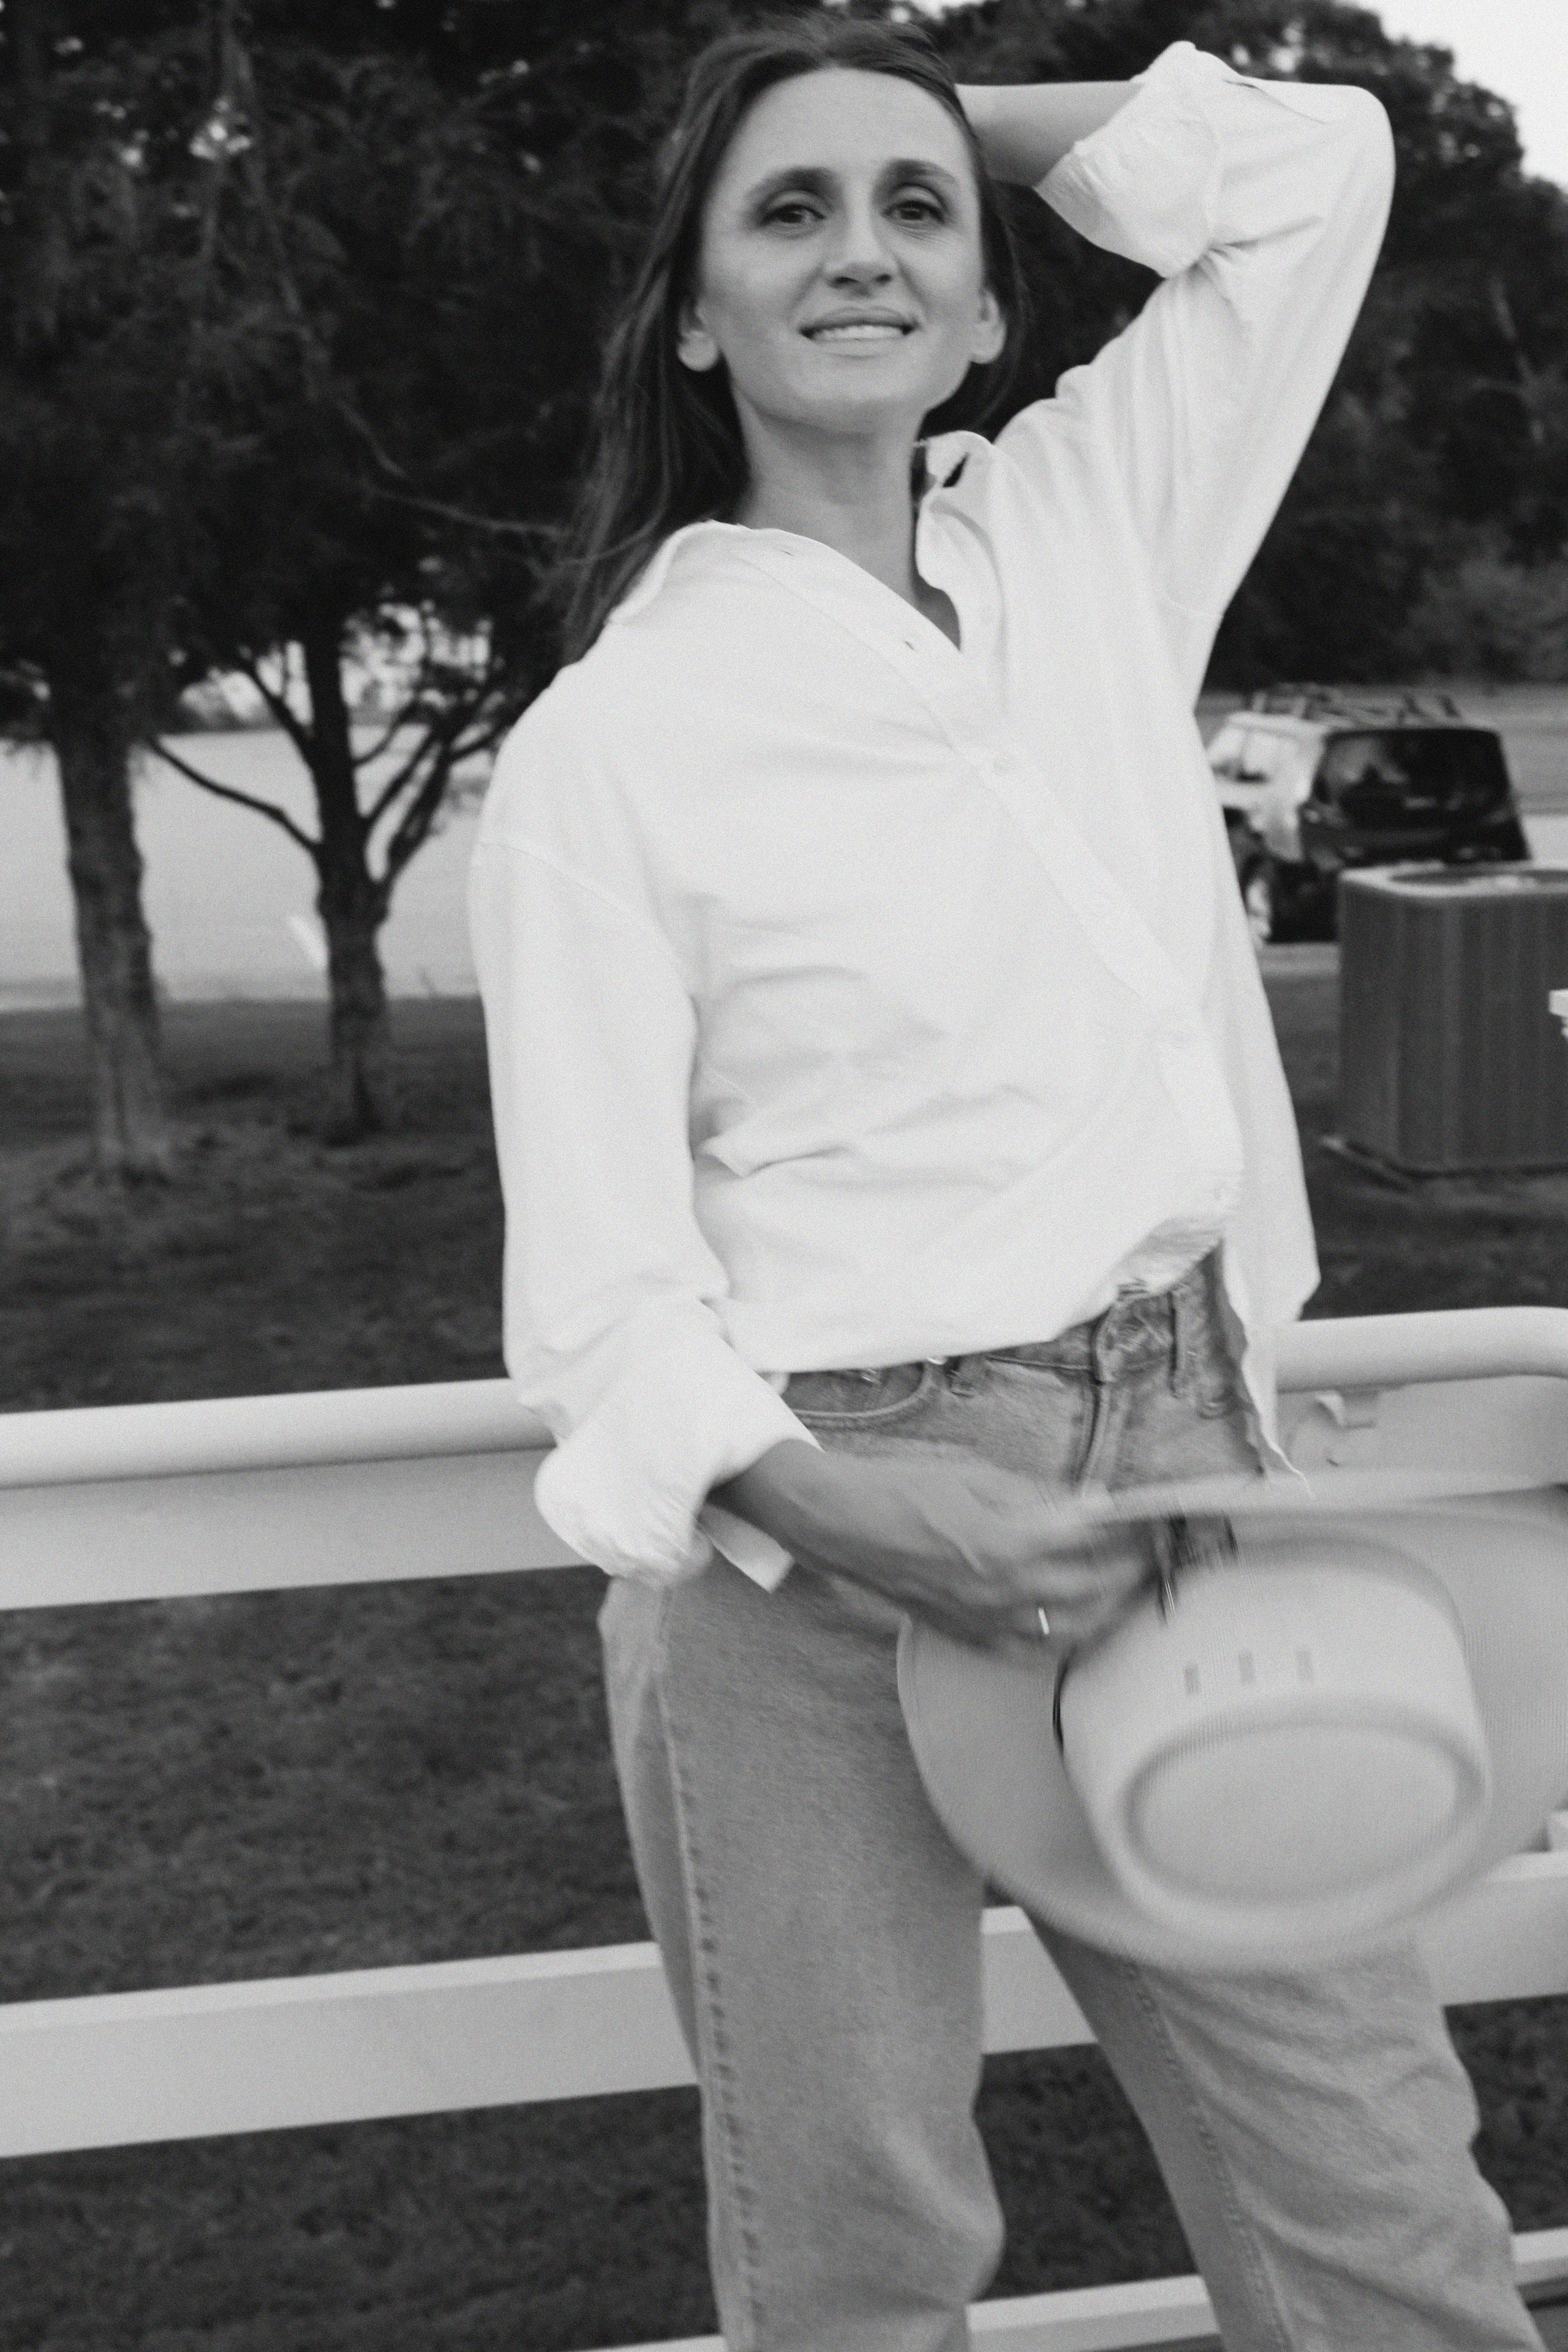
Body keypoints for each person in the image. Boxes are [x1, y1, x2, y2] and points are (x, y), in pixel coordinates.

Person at [469, 17, 1542, 2350]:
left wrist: (952, 122)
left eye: (913, 214)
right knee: (865, 2265)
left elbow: (1316, 170)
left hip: (1179, 1486)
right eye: (786, 214)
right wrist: (854, 1511)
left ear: (982, 302)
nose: (857, 252)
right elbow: (602, 1294)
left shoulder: (1085, 526)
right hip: (816, 1556)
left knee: (1383, 2216)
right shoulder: (608, 752)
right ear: (691, 311)